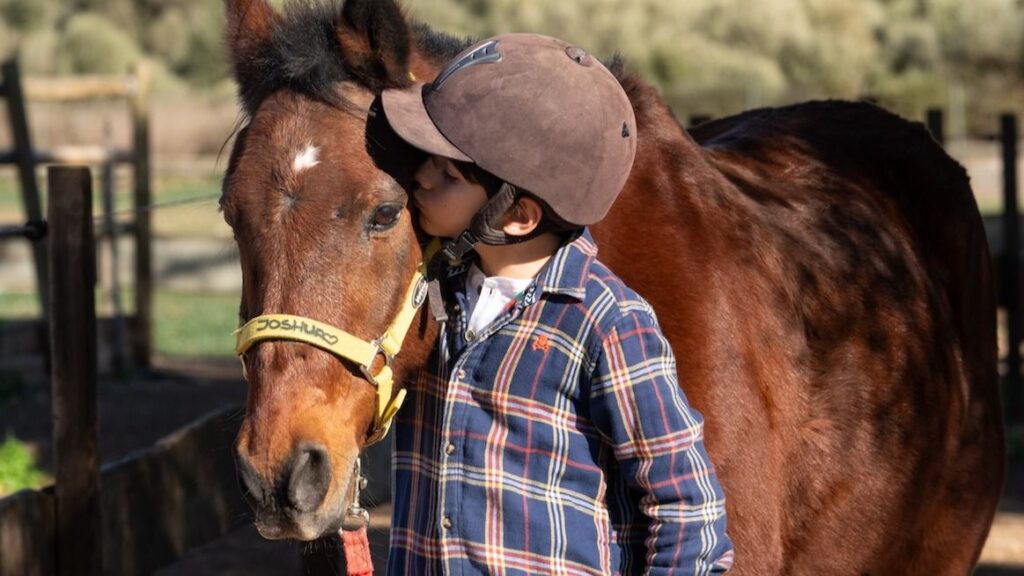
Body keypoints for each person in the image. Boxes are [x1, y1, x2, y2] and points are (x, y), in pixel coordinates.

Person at [367, 33, 733, 575]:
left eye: (447, 174)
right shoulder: (428, 294)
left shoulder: (608, 325)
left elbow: (689, 506)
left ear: (517, 217)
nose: (420, 178)